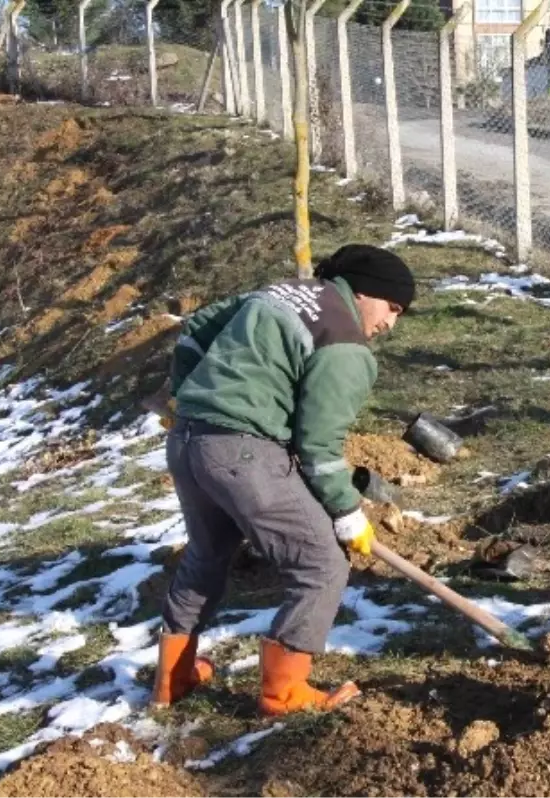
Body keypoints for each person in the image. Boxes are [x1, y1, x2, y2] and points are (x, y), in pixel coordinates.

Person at [150, 243, 416, 716]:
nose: (390, 324)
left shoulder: (282, 293)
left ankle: (173, 680)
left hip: (188, 441)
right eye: (391, 307)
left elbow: (194, 331)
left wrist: (192, 395)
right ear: (362, 292)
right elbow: (319, 447)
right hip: (242, 453)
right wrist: (347, 512)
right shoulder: (345, 343)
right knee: (322, 565)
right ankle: (284, 694)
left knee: (208, 553)